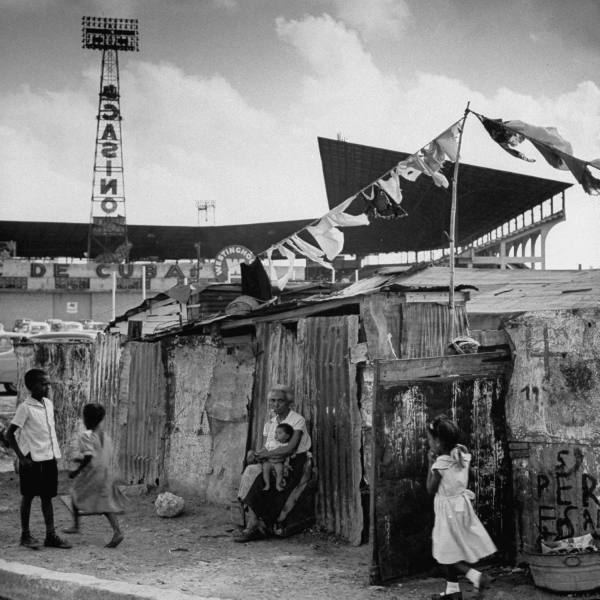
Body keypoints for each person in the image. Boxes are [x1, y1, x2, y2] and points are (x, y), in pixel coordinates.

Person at [426, 416, 496, 600]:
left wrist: (430, 464)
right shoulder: (462, 457)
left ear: (438, 441)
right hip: (461, 507)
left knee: (445, 551)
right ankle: (453, 591)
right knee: (451, 548)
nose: (430, 443)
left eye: (430, 439)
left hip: (448, 511)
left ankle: (477, 577)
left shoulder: (441, 464)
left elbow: (430, 489)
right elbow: (471, 476)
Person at [234, 385, 311, 543]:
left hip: (293, 461)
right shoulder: (271, 422)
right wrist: (255, 454)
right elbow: (267, 446)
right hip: (273, 459)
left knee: (259, 478)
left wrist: (263, 455)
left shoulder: (297, 420)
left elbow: (290, 448)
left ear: (288, 402)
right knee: (251, 471)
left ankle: (254, 524)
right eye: (272, 401)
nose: (276, 404)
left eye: (280, 401)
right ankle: (254, 522)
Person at [6, 368, 72, 549]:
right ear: (32, 386)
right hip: (31, 459)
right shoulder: (25, 408)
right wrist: (21, 458)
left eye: (48, 383)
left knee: (47, 497)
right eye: (43, 384)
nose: (47, 386)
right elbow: (9, 434)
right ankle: (25, 535)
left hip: (49, 458)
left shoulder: (48, 404)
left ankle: (50, 536)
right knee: (28, 497)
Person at [63, 403, 125, 548]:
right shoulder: (106, 436)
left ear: (86, 419)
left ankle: (76, 525)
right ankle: (117, 531)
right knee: (105, 505)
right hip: (105, 474)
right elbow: (99, 456)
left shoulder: (86, 436)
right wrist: (82, 460)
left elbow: (89, 457)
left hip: (92, 475)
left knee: (74, 493)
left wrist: (75, 471)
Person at [260, 423, 294, 491]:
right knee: (265, 467)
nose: (276, 435)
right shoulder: (271, 443)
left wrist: (291, 457)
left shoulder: (286, 445)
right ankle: (267, 484)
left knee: (279, 470)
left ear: (287, 436)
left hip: (278, 462)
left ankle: (278, 485)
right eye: (276, 432)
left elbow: (289, 454)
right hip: (269, 462)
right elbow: (264, 449)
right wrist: (259, 453)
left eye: (279, 433)